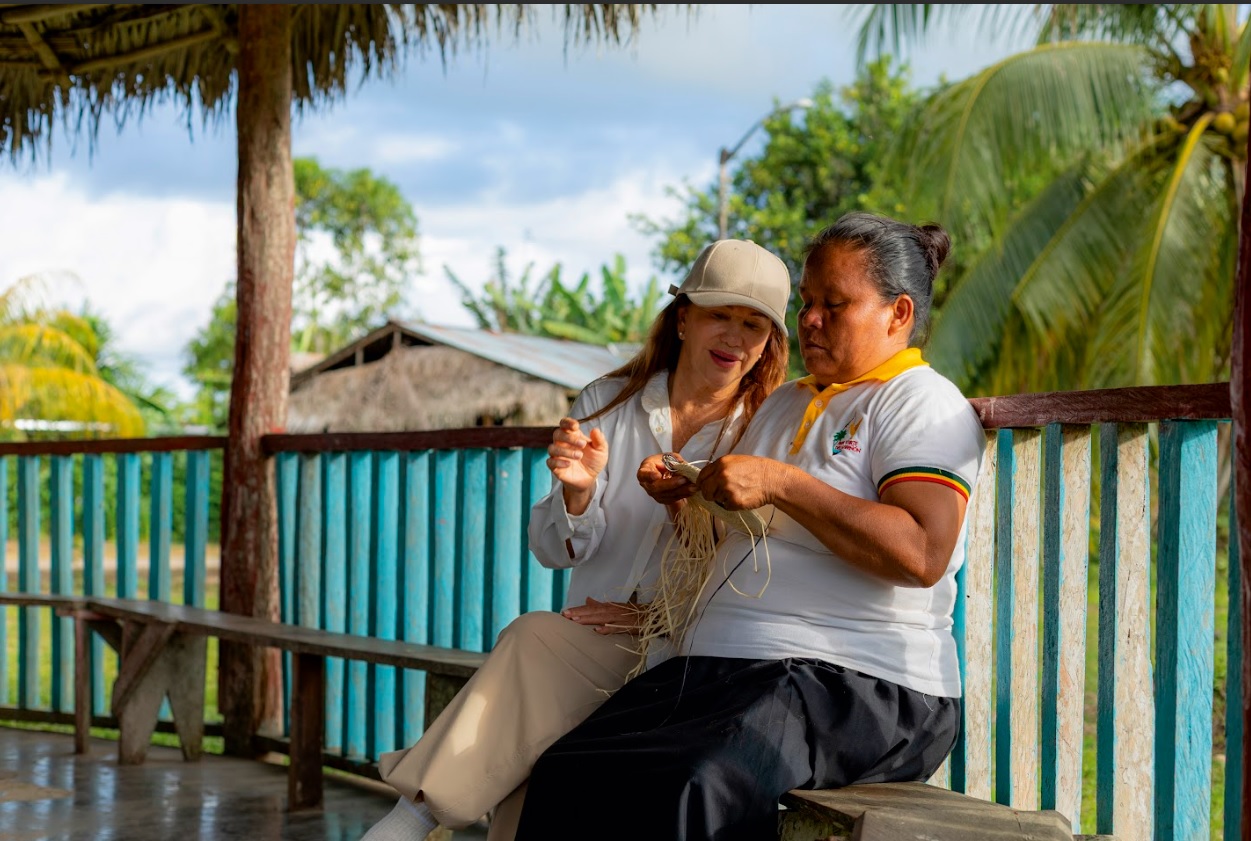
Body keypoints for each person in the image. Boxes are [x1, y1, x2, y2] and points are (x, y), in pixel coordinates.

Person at [512, 212, 987, 841]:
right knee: (569, 770)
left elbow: (923, 552)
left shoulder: (919, 401)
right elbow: (731, 539)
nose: (809, 320)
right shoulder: (787, 402)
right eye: (807, 303)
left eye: (834, 305)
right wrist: (683, 500)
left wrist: (784, 483)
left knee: (696, 783)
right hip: (730, 672)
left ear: (897, 314)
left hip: (858, 683)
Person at [359, 238, 792, 841]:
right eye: (720, 314)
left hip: (696, 654)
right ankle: (412, 819)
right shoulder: (608, 402)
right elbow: (552, 551)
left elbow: (763, 565)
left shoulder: (771, 427)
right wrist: (579, 494)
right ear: (683, 318)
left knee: (531, 643)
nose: (735, 338)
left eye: (754, 325)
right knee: (536, 742)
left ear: (770, 342)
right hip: (592, 642)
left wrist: (658, 610)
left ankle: (412, 818)